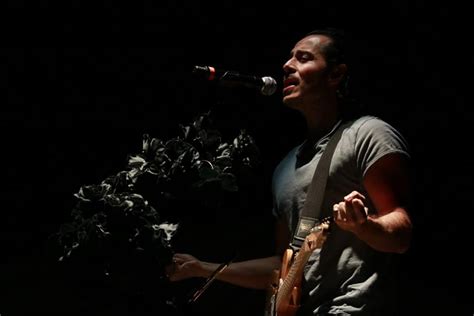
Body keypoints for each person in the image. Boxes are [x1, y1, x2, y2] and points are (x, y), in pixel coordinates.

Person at [166, 27, 413, 315]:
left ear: (335, 75)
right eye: (288, 58)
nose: (286, 65)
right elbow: (286, 264)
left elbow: (401, 234)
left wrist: (364, 225)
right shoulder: (284, 168)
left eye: (303, 58)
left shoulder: (368, 134)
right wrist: (202, 268)